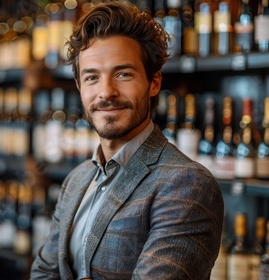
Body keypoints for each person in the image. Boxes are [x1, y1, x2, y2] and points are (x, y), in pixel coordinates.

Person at [30, 2, 224, 279]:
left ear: (154, 82)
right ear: (79, 87)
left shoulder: (187, 184)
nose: (106, 92)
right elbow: (43, 273)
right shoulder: (76, 179)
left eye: (123, 74)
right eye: (92, 77)